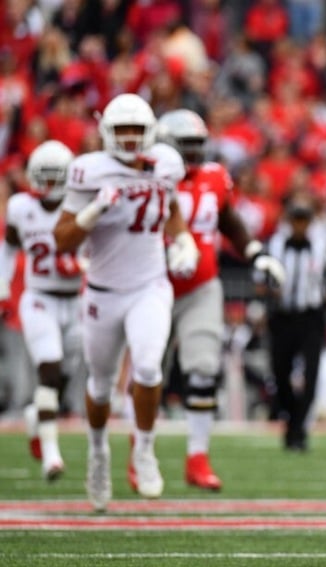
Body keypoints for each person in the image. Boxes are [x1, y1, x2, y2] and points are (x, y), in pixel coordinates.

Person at [53, 93, 197, 512]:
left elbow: (169, 207)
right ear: (106, 132)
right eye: (122, 130)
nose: (131, 138)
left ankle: (145, 448)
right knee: (100, 385)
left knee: (149, 366)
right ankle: (98, 453)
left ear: (151, 130)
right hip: (102, 291)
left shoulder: (166, 163)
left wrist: (183, 240)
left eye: (137, 129)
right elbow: (62, 240)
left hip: (150, 284)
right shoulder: (88, 171)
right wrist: (94, 210)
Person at [147, 108, 285, 491]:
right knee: (148, 372)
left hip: (202, 286)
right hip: (152, 284)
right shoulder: (150, 174)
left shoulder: (214, 176)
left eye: (197, 145)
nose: (193, 154)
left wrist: (257, 253)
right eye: (185, 146)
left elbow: (227, 220)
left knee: (204, 369)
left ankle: (197, 458)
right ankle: (141, 452)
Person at [0, 140, 80, 481]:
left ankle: (37, 414)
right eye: (42, 177)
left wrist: (81, 263)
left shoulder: (81, 205)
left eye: (55, 177)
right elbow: (9, 247)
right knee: (49, 367)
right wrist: (2, 286)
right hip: (40, 298)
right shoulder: (21, 207)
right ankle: (51, 455)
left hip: (77, 300)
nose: (48, 185)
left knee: (67, 372)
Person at [263, 195, 326, 451]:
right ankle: (291, 420)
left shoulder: (323, 246)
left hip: (311, 317)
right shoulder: (274, 244)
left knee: (311, 375)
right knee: (280, 374)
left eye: (304, 220)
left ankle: (298, 430)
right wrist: (268, 292)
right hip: (282, 316)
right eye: (296, 220)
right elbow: (260, 279)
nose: (300, 225)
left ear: (310, 222)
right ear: (289, 221)